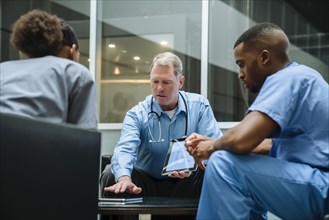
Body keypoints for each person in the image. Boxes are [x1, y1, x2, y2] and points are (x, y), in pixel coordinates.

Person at [185, 22, 329, 219]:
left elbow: (241, 141)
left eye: (241, 63)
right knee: (233, 161)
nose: (240, 74)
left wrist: (211, 148)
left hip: (320, 184)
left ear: (264, 57)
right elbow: (267, 145)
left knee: (224, 162)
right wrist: (212, 143)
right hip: (316, 181)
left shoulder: (287, 78)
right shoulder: (305, 77)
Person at [100, 52, 222, 219]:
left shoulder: (199, 107)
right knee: (111, 174)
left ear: (180, 82)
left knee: (215, 170)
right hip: (148, 182)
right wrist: (124, 178)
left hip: (186, 182)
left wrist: (192, 163)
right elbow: (124, 148)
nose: (159, 88)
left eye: (166, 82)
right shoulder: (137, 114)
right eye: (155, 81)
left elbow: (215, 147)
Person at [0, 9, 97, 129]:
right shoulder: (74, 72)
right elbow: (85, 135)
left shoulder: (3, 68)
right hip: (34, 144)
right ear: (72, 51)